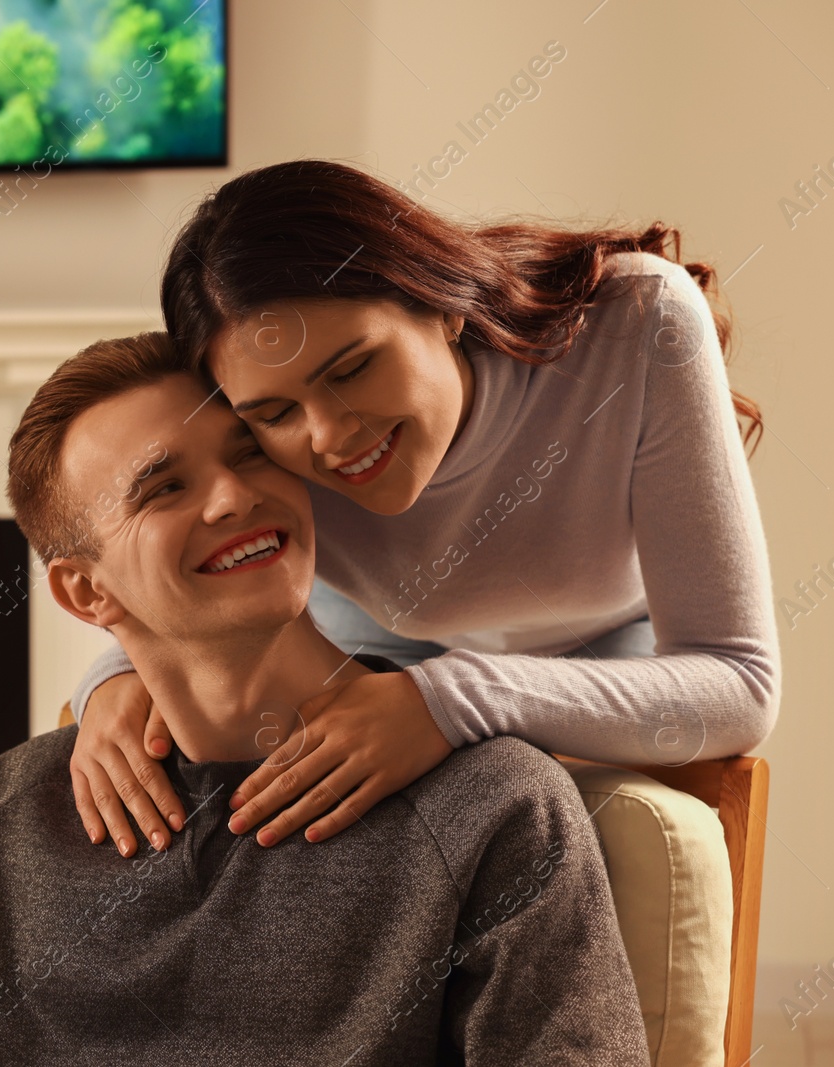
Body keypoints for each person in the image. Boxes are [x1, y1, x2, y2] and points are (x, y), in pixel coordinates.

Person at [0, 333, 650, 1066]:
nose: (235, 497)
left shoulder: (493, 809)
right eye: (164, 486)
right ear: (86, 593)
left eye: (252, 453)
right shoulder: (7, 812)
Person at [66, 158, 781, 859]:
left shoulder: (637, 323)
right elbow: (189, 551)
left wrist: (448, 698)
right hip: (366, 644)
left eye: (352, 369)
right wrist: (118, 674)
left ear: (441, 305)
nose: (331, 436)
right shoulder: (264, 441)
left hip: (602, 646)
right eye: (276, 412)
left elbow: (740, 682)